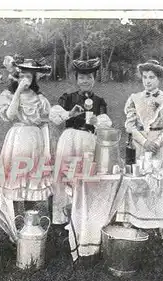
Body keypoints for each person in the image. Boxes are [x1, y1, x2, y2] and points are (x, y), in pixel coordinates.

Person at [0, 56, 53, 236]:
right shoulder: (8, 95)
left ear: (34, 78)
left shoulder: (40, 98)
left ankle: (30, 225)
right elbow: (10, 115)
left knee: (31, 183)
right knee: (17, 181)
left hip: (34, 140)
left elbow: (44, 120)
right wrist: (18, 91)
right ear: (16, 75)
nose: (25, 79)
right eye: (22, 74)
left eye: (29, 76)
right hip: (17, 139)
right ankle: (16, 226)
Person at [49, 58, 112, 226]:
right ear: (76, 80)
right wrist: (70, 114)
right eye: (82, 78)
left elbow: (105, 122)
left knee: (85, 175)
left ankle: (84, 215)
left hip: (89, 141)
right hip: (70, 138)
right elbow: (56, 116)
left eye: (89, 77)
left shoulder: (100, 101)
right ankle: (62, 216)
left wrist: (96, 122)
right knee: (65, 175)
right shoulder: (68, 98)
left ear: (94, 79)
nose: (85, 81)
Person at [124, 59, 163, 179]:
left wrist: (157, 143)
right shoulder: (134, 98)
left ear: (159, 79)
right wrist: (145, 142)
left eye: (151, 77)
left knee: (160, 179)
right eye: (145, 77)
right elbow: (130, 126)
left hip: (159, 143)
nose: (147, 81)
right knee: (140, 180)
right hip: (140, 143)